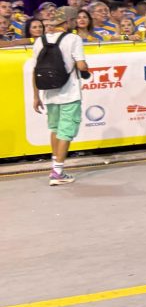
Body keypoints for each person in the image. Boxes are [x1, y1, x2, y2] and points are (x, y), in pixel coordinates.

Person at [29, 15, 90, 186]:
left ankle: (55, 165)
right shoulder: (74, 39)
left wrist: (36, 96)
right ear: (67, 23)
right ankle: (57, 172)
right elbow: (81, 66)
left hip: (49, 93)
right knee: (66, 131)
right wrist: (86, 70)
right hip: (69, 92)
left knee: (55, 129)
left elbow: (35, 71)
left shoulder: (40, 40)